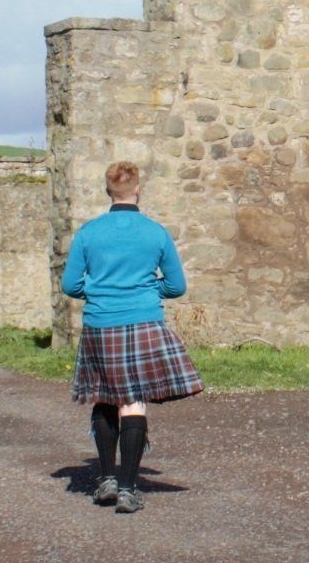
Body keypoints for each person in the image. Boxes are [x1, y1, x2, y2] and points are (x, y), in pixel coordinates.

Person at [61, 160, 203, 514]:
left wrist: (99, 289)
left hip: (100, 323)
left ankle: (107, 479)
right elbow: (177, 286)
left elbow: (70, 285)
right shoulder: (155, 232)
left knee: (105, 397)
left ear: (108, 191)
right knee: (133, 401)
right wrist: (147, 288)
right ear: (137, 189)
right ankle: (127, 489)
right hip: (142, 323)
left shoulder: (89, 232)